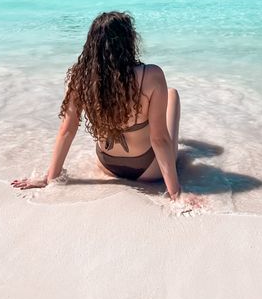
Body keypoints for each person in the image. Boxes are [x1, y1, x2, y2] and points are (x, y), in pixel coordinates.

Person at [12, 11, 182, 200]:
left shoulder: (81, 77)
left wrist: (50, 178)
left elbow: (66, 130)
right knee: (172, 94)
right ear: (129, 39)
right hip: (148, 171)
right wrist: (176, 193)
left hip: (107, 165)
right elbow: (159, 140)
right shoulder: (151, 75)